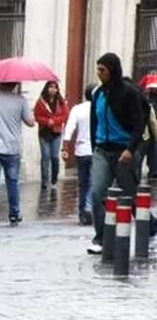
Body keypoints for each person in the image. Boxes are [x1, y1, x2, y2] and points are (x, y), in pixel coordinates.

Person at [87, 53, 147, 254]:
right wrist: (94, 144)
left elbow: (139, 124)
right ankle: (101, 237)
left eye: (102, 70)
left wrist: (131, 149)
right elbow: (93, 122)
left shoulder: (128, 93)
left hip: (124, 152)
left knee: (129, 197)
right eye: (98, 69)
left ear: (112, 70)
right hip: (102, 150)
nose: (99, 74)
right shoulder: (97, 95)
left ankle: (149, 226)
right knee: (97, 192)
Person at [0, 81, 35, 227]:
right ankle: (14, 213)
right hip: (12, 148)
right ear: (15, 84)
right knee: (12, 181)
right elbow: (30, 122)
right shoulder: (20, 100)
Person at [61, 84, 96, 226]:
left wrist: (65, 148)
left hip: (81, 151)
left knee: (83, 183)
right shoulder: (101, 108)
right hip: (96, 150)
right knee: (94, 182)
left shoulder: (77, 109)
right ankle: (88, 207)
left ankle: (82, 212)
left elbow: (69, 129)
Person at [33, 80, 69, 190]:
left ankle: (54, 176)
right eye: (50, 87)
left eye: (55, 87)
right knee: (45, 157)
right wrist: (46, 121)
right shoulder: (40, 102)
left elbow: (65, 115)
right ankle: (44, 181)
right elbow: (37, 116)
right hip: (44, 133)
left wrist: (55, 121)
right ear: (46, 88)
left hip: (56, 133)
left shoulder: (61, 101)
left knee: (54, 157)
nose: (53, 89)